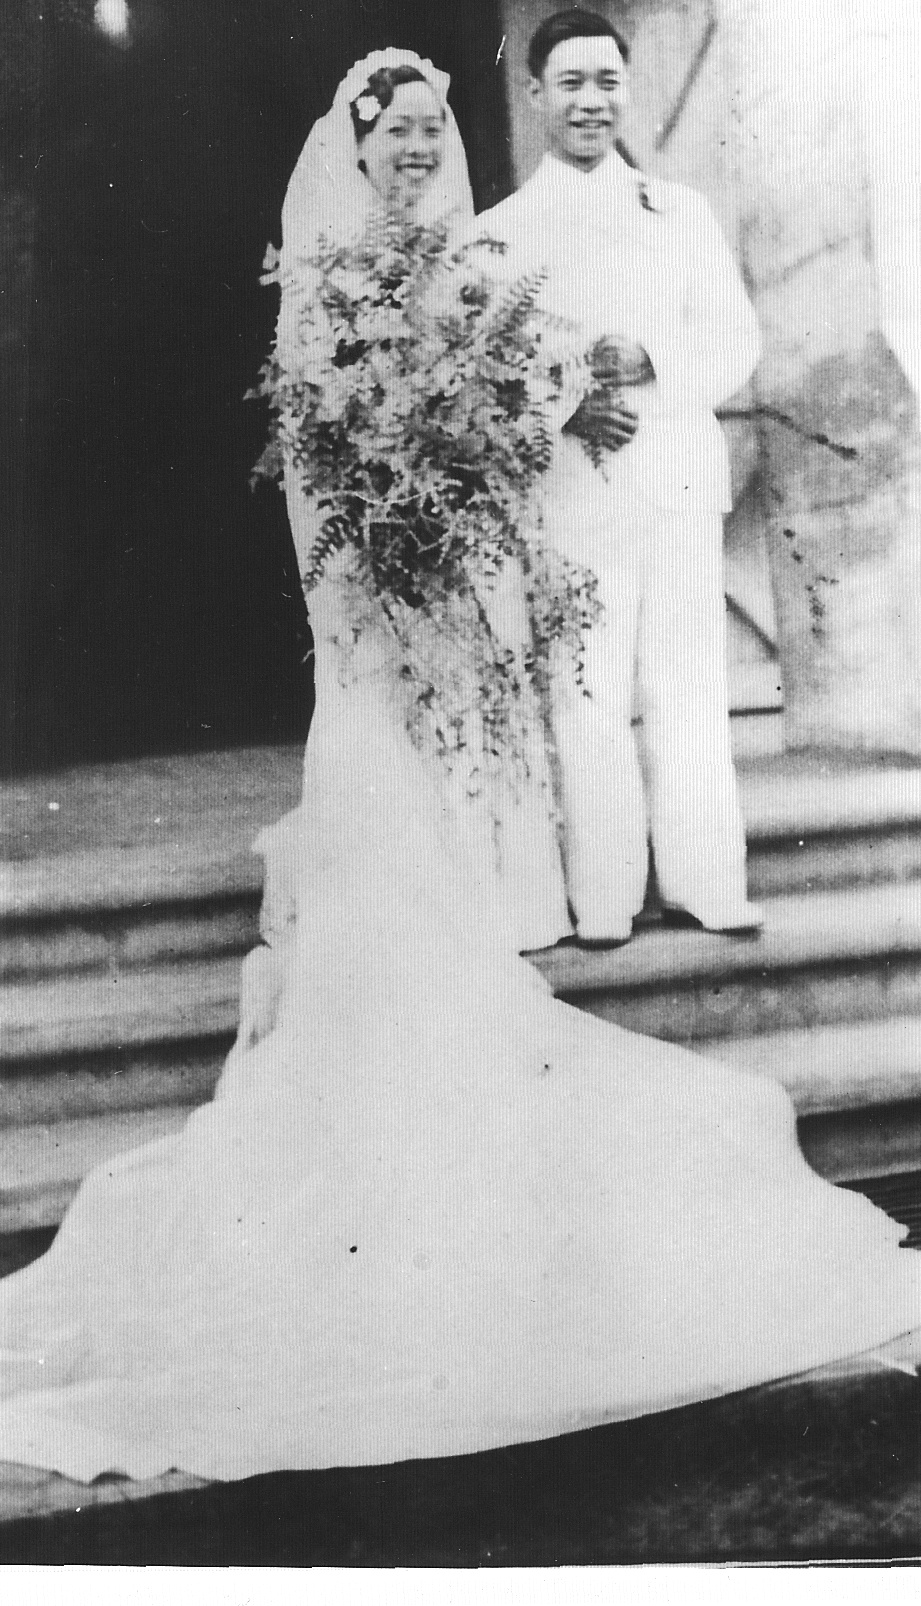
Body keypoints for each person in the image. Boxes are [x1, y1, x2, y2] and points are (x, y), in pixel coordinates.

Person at [0, 50, 917, 1489]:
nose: (423, 147)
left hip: (460, 606)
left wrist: (523, 456)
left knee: (462, 853)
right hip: (376, 626)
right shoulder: (337, 280)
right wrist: (375, 595)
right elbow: (322, 460)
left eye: (435, 126)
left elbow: (506, 414)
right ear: (357, 148)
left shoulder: (477, 265)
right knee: (378, 843)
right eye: (400, 131)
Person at [474, 10, 764, 945]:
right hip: (573, 492)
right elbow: (482, 376)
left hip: (676, 480)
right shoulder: (501, 232)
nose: (590, 101)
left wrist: (651, 358)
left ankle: (705, 881)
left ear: (624, 89)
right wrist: (561, 407)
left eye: (606, 82)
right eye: (570, 83)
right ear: (535, 96)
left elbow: (734, 340)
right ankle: (603, 896)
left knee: (686, 689)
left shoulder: (679, 212)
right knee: (587, 694)